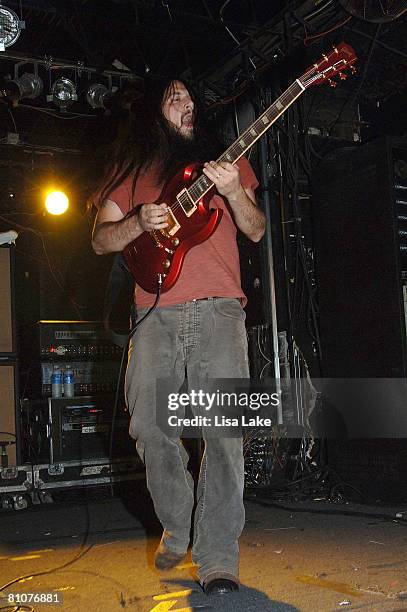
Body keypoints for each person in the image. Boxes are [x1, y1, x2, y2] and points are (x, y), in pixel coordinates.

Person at [91, 77, 266, 595]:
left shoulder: (222, 163)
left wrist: (234, 190)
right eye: (175, 96)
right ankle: (177, 519)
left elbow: (255, 229)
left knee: (224, 433)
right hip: (155, 312)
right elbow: (102, 240)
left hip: (219, 310)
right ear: (152, 109)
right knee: (148, 425)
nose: (188, 104)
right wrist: (140, 221)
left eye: (192, 96)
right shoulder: (130, 171)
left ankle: (217, 559)